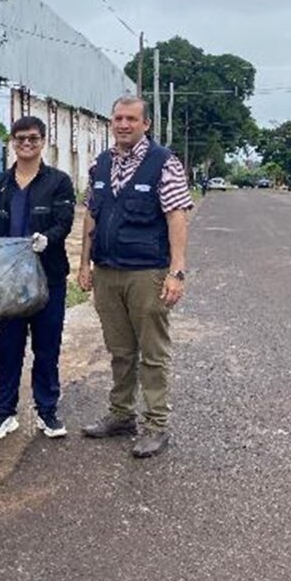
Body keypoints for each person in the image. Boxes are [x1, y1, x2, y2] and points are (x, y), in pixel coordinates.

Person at [78, 95, 192, 458]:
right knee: (120, 350)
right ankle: (121, 415)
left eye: (131, 119)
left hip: (147, 273)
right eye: (118, 118)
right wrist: (84, 263)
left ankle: (156, 425)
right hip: (107, 272)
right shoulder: (101, 163)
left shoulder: (163, 162)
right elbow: (91, 214)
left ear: (146, 124)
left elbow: (176, 216)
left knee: (153, 353)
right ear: (111, 122)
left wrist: (176, 271)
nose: (124, 124)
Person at [0, 116, 76, 442]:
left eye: (33, 138)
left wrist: (48, 239)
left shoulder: (58, 182)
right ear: (13, 142)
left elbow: (64, 222)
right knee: (8, 347)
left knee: (47, 346)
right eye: (20, 138)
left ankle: (46, 410)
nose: (26, 144)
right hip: (8, 282)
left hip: (48, 277)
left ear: (42, 141)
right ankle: (4, 412)